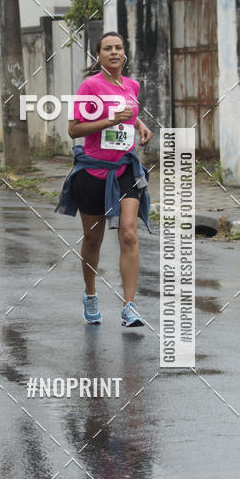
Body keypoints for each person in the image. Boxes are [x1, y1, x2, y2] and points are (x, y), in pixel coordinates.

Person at [56, 32, 153, 327]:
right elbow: (74, 130)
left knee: (128, 232)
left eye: (118, 48)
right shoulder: (90, 86)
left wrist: (138, 123)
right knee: (93, 239)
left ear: (125, 53)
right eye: (107, 48)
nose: (113, 52)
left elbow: (128, 110)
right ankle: (90, 293)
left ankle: (129, 306)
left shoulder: (131, 85)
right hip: (93, 172)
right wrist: (111, 120)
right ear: (98, 55)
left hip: (125, 169)